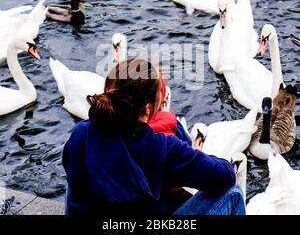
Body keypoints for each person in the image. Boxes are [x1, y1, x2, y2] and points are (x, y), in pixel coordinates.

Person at [62, 59, 245, 216]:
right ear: (149, 108)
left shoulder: (82, 132)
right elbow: (226, 175)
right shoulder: (163, 147)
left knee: (78, 174)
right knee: (233, 191)